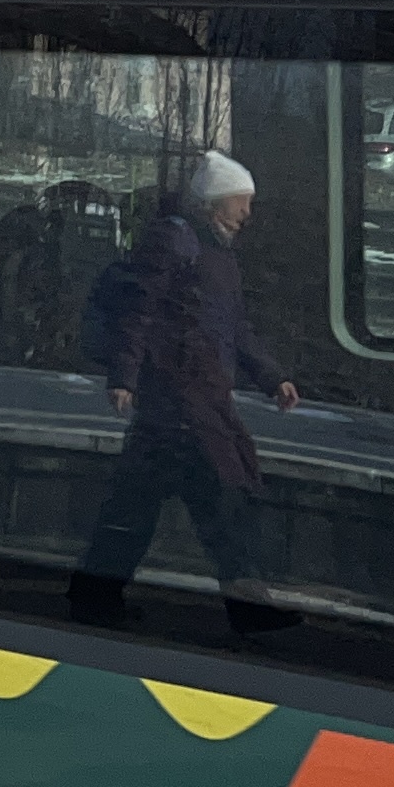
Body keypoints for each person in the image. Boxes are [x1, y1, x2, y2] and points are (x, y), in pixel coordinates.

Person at [74, 151, 299, 634]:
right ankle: (249, 608)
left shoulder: (213, 254)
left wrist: (270, 376)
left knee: (137, 505)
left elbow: (232, 328)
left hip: (185, 400)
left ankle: (93, 597)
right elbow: (141, 311)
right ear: (215, 203)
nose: (247, 214)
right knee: (222, 498)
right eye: (241, 202)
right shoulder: (178, 244)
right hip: (182, 400)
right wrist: (124, 376)